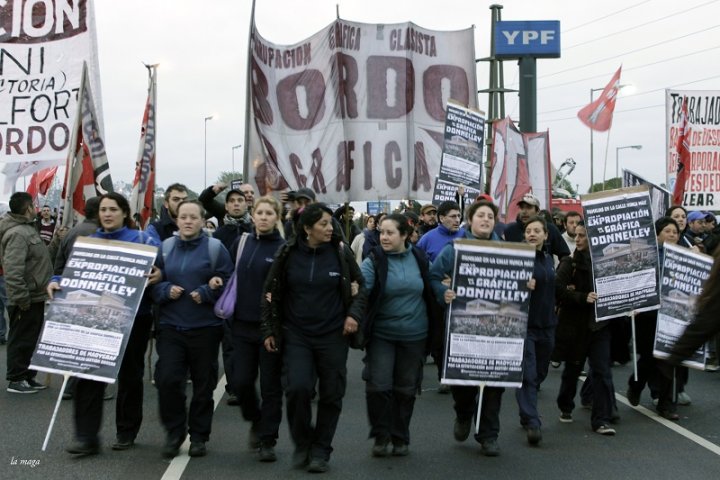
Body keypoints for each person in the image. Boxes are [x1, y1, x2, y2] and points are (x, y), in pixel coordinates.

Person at [47, 192, 161, 454]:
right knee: (87, 373)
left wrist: (160, 274)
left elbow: (161, 271)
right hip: (92, 319)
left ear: (124, 213)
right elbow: (66, 271)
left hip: (134, 319)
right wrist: (55, 281)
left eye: (113, 209)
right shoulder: (88, 243)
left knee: (129, 376)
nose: (107, 214)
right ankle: (86, 437)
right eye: (103, 210)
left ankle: (126, 431)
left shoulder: (143, 240)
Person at [261, 203, 367, 473]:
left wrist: (353, 315)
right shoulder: (287, 254)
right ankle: (302, 442)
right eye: (323, 224)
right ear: (307, 229)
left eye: (331, 223)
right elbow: (269, 292)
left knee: (332, 393)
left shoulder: (341, 253)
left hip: (333, 335)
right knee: (297, 388)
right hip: (296, 334)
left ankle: (321, 450)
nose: (330, 228)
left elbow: (361, 286)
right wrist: (270, 330)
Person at [152, 200, 233, 458]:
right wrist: (165, 290)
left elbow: (229, 282)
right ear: (176, 220)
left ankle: (199, 436)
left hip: (206, 328)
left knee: (203, 385)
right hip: (171, 326)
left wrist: (208, 292)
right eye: (183, 217)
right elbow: (151, 282)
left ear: (202, 220)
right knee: (168, 380)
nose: (188, 221)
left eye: (193, 217)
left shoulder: (215, 248)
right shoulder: (164, 248)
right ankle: (174, 433)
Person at [429, 200, 506, 457]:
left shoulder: (509, 251)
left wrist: (526, 284)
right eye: (480, 216)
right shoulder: (454, 250)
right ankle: (463, 413)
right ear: (470, 221)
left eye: (490, 216)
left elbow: (518, 281)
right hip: (463, 328)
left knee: (494, 383)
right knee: (464, 383)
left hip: (497, 328)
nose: (485, 220)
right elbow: (433, 276)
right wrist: (444, 291)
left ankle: (488, 435)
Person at [361, 213, 433, 458]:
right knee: (378, 386)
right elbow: (362, 290)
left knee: (406, 389)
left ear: (405, 235)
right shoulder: (374, 260)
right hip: (382, 334)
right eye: (381, 232)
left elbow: (434, 284)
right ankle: (380, 435)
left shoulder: (419, 258)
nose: (384, 237)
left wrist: (446, 290)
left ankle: (400, 436)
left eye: (390, 232)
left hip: (415, 335)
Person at [228, 196, 286, 462]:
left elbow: (285, 290)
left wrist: (275, 320)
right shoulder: (241, 243)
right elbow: (226, 272)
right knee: (240, 382)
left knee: (271, 385)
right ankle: (255, 418)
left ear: (277, 218)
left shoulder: (283, 249)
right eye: (259, 212)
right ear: (253, 216)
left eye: (269, 213)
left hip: (269, 329)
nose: (263, 217)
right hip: (240, 324)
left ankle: (267, 439)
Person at [554, 221, 616, 435]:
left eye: (583, 236)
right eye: (577, 235)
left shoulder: (608, 263)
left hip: (600, 326)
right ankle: (565, 404)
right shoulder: (569, 263)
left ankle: (601, 420)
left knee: (602, 372)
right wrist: (582, 297)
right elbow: (558, 289)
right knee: (572, 370)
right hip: (576, 326)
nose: (578, 239)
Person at [626, 217, 682, 421]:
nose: (672, 235)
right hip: (648, 314)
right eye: (667, 231)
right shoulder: (647, 255)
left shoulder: (684, 256)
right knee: (650, 357)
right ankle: (636, 384)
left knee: (668, 359)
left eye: (675, 232)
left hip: (671, 315)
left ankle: (666, 404)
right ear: (657, 234)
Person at [0, 192, 53, 394]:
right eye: (33, 205)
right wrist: (21, 298)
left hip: (35, 296)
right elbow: (13, 271)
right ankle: (16, 379)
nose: (36, 209)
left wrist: (56, 240)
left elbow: (41, 257)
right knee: (21, 339)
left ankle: (27, 376)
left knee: (30, 338)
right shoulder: (17, 234)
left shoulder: (27, 229)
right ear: (27, 208)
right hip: (26, 298)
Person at [516, 215, 557, 446]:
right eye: (528, 231)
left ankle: (526, 411)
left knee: (540, 372)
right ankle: (532, 422)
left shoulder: (549, 259)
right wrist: (522, 283)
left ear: (545, 235)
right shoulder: (519, 258)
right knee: (528, 375)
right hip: (525, 325)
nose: (532, 234)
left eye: (536, 231)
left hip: (547, 325)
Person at [503, 193, 570, 262]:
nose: (524, 211)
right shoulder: (510, 230)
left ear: (537, 211)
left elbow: (565, 254)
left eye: (529, 207)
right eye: (522, 207)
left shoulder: (550, 229)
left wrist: (560, 271)